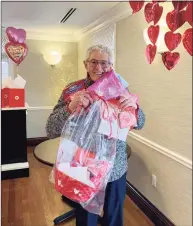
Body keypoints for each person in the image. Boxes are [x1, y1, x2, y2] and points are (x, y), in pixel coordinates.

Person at [46, 44, 145, 226]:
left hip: (115, 169)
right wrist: (70, 107)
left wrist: (135, 108)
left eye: (104, 63)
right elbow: (50, 129)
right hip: (84, 168)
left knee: (114, 218)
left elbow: (140, 123)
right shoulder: (71, 91)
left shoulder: (121, 91)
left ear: (111, 66)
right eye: (93, 62)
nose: (98, 68)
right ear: (85, 64)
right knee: (85, 220)